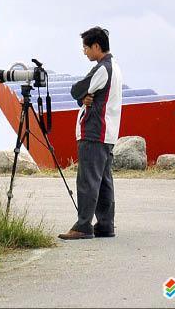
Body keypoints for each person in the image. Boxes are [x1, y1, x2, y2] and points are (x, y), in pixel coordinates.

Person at [58, 26, 123, 240]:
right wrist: (84, 97)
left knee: (87, 179)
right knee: (103, 180)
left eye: (86, 47)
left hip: (94, 131)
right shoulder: (115, 66)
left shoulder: (102, 68)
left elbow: (77, 89)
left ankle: (83, 225)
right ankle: (105, 224)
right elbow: (84, 94)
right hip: (108, 132)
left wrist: (82, 96)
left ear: (96, 46)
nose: (85, 52)